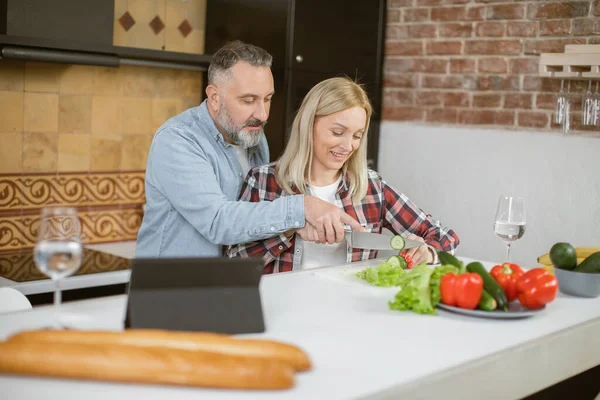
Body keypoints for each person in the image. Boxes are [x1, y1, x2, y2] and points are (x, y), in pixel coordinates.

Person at [136, 41, 363, 258]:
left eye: (267, 99)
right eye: (248, 100)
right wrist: (301, 208)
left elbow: (254, 213)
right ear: (215, 97)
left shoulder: (253, 136)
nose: (262, 114)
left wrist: (293, 227)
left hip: (227, 285)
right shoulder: (178, 140)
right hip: (170, 290)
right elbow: (218, 221)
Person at [227, 77, 459, 273]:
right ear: (309, 126)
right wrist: (290, 229)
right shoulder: (264, 181)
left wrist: (427, 252)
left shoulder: (372, 187)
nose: (348, 146)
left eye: (357, 135)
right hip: (281, 312)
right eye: (338, 132)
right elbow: (234, 262)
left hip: (351, 315)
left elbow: (445, 236)